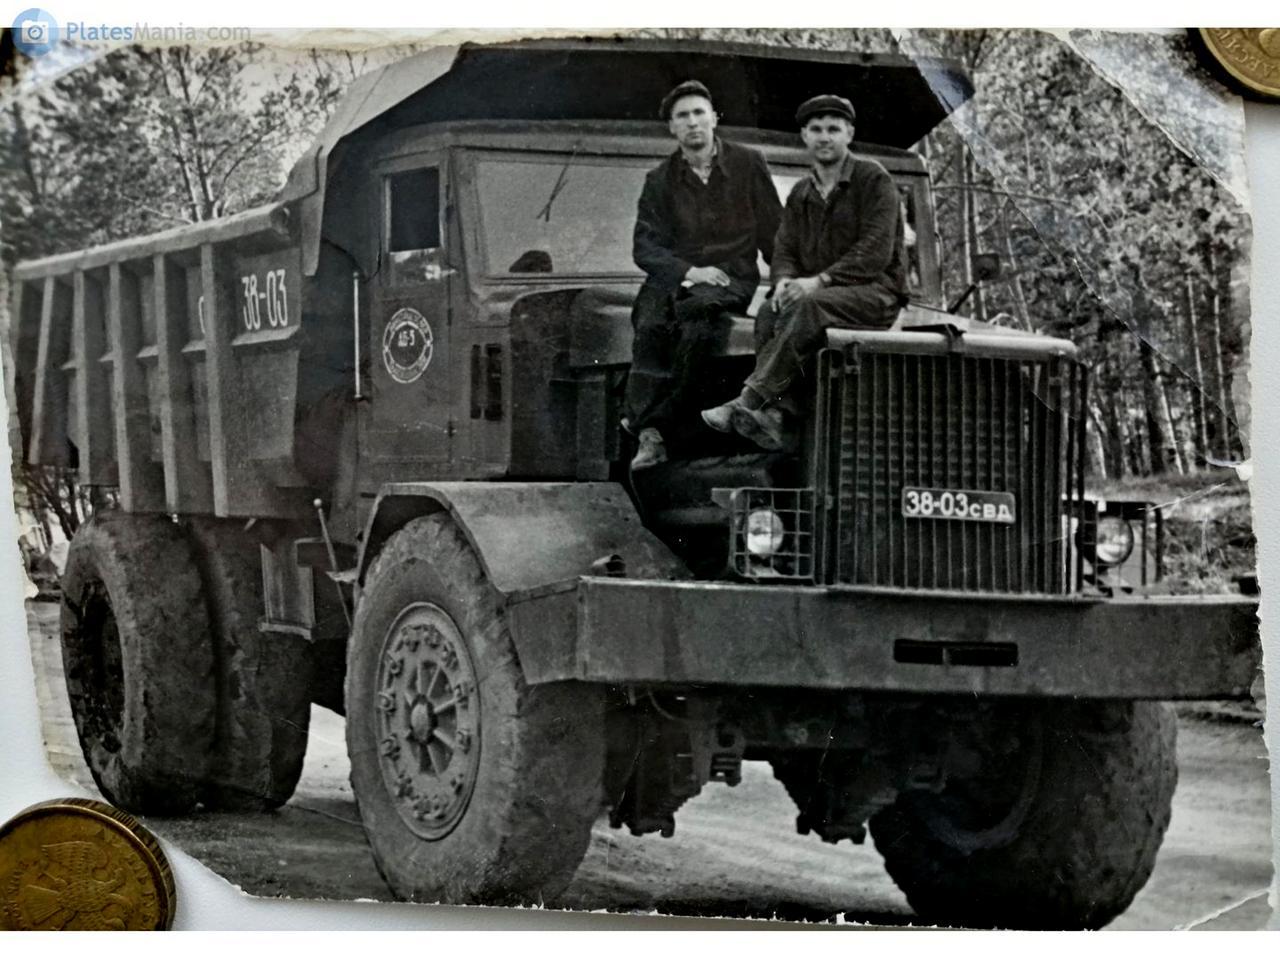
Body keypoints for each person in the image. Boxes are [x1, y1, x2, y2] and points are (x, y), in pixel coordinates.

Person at [701, 94, 907, 451]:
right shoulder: (801, 192)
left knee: (809, 306)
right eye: (816, 129)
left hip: (876, 294)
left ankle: (751, 400)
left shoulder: (873, 180)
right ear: (805, 136)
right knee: (769, 310)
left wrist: (818, 281)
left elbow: (874, 253)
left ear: (849, 134)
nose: (824, 137)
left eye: (833, 129)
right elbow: (785, 248)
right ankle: (780, 415)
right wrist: (783, 281)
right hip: (825, 295)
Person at [625, 80, 783, 470]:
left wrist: (784, 282)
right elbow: (644, 247)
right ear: (672, 128)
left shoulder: (749, 164)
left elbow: (774, 234)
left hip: (730, 277)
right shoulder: (659, 179)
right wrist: (689, 271)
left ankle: (657, 426)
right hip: (678, 277)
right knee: (648, 321)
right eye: (683, 116)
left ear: (714, 118)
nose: (692, 122)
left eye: (699, 113)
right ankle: (645, 429)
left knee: (697, 320)